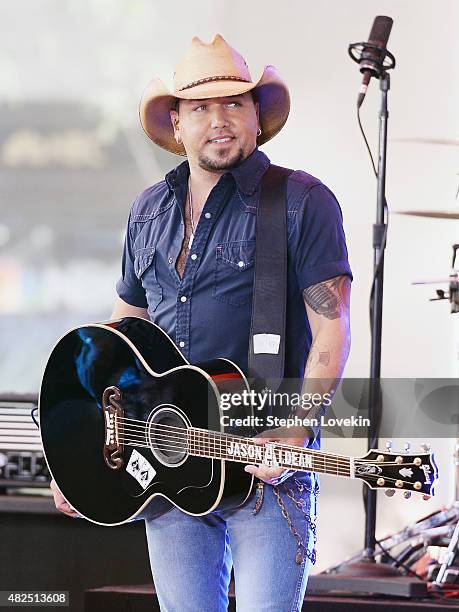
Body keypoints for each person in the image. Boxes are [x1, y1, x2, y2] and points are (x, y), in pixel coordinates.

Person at [51, 34, 352, 611]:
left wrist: (293, 431)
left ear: (257, 117)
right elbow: (124, 331)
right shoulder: (147, 210)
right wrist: (85, 445)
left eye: (235, 104)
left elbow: (331, 330)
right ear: (177, 123)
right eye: (201, 108)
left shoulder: (301, 201)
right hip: (166, 467)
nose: (220, 120)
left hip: (264, 468)